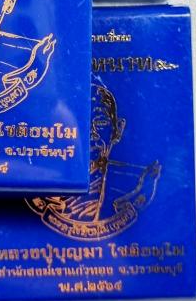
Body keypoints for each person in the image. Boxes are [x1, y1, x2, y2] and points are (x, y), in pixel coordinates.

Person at [27, 82, 161, 238]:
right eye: (80, 122)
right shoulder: (37, 180)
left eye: (100, 123)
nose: (91, 133)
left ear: (117, 130)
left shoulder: (136, 182)